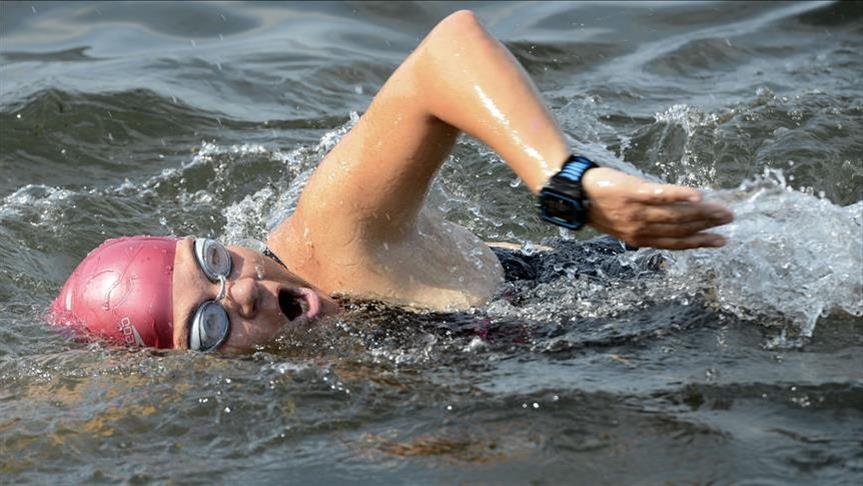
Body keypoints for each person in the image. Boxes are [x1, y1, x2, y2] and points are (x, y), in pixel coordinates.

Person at [50, 11, 734, 353]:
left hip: (707, 279)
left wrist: (569, 183)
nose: (244, 289)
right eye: (208, 323)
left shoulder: (332, 242)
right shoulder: (325, 366)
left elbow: (446, 51)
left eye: (213, 260)